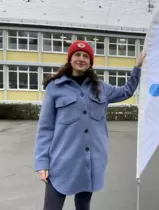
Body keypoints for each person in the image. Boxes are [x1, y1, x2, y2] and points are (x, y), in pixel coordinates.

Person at [34, 40, 146, 210]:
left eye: (86, 56)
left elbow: (126, 91)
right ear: (70, 59)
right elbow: (45, 128)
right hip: (61, 162)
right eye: (77, 55)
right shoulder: (55, 88)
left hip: (89, 162)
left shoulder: (101, 88)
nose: (81, 59)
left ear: (90, 62)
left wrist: (137, 67)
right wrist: (42, 162)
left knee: (83, 206)